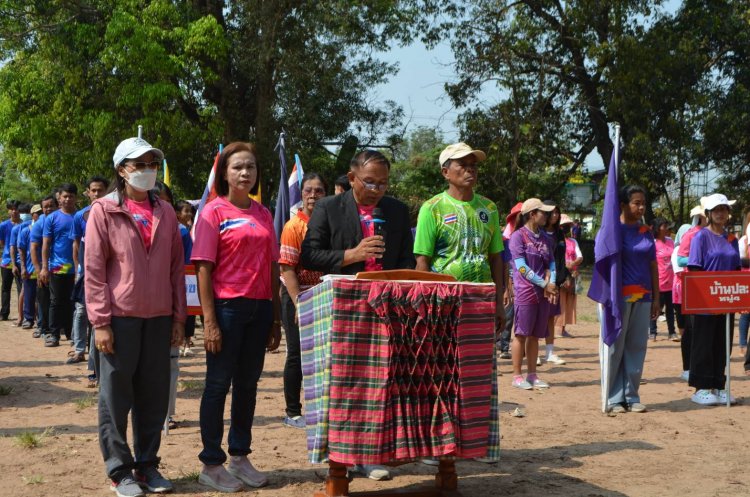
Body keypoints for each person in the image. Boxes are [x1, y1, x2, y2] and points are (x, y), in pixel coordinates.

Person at [301, 149, 415, 481]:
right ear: (352, 178)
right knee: (344, 384)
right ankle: (341, 456)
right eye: (369, 182)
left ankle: (371, 453)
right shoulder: (328, 208)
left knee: (381, 382)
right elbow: (309, 255)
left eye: (383, 183)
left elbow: (407, 259)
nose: (377, 189)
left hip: (387, 309)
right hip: (343, 310)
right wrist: (351, 255)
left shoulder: (396, 211)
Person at [85, 137, 186, 497]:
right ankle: (119, 470)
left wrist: (179, 317)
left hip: (158, 317)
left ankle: (147, 465)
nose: (147, 170)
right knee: (115, 398)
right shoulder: (104, 210)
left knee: (153, 396)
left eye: (151, 164)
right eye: (138, 164)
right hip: (119, 318)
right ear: (121, 170)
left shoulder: (166, 212)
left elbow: (176, 269)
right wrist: (100, 322)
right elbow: (94, 270)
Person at [191, 142, 282, 493]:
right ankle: (211, 463)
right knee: (217, 385)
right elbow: (203, 268)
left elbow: (273, 265)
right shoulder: (213, 212)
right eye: (238, 167)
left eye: (251, 167)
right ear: (224, 174)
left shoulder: (263, 212)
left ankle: (240, 457)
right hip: (227, 309)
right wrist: (210, 322)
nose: (245, 173)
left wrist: (275, 317)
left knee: (247, 385)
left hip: (259, 309)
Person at [413, 142, 505, 325]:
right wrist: (423, 306)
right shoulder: (432, 208)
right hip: (444, 300)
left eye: (473, 165)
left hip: (482, 298)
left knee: (480, 345)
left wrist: (499, 304)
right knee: (446, 345)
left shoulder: (489, 208)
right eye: (462, 164)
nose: (470, 170)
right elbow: (422, 261)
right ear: (445, 172)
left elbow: (495, 258)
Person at [279, 172, 327, 429]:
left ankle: (320, 409)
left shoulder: (330, 223)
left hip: (324, 295)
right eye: (308, 190)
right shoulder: (294, 226)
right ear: (301, 194)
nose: (313, 196)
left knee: (323, 356)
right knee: (297, 354)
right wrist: (300, 303)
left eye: (318, 191)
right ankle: (293, 411)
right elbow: (287, 269)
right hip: (297, 295)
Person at [605, 185, 658, 414]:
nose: (641, 207)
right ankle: (613, 397)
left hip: (644, 297)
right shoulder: (612, 230)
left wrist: (656, 298)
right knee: (616, 347)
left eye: (643, 203)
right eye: (636, 203)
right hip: (619, 298)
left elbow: (653, 265)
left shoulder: (646, 231)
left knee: (636, 347)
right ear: (623, 205)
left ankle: (631, 395)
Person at [687, 194, 739, 406]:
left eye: (724, 209)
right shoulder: (700, 237)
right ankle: (701, 387)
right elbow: (694, 267)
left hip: (727, 299)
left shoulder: (732, 239)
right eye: (716, 210)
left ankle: (719, 384)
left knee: (722, 343)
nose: (720, 213)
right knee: (704, 343)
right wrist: (706, 293)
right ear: (708, 213)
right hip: (705, 301)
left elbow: (736, 269)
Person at [509, 198, 557, 390]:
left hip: (543, 293)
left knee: (536, 335)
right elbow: (521, 267)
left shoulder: (545, 238)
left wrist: (552, 283)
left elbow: (551, 263)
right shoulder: (517, 237)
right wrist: (544, 283)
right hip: (525, 291)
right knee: (521, 334)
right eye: (543, 212)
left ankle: (532, 375)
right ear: (532, 214)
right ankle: (517, 376)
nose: (547, 216)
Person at [68, 176, 109, 365]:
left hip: (105, 273)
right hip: (85, 271)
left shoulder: (112, 212)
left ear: (107, 191)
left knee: (98, 316)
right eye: (93, 190)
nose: (97, 193)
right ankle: (79, 350)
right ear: (88, 192)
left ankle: (96, 359)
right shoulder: (80, 216)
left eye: (100, 190)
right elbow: (77, 244)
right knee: (81, 310)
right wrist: (79, 268)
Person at [40, 183, 78, 347]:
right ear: (59, 198)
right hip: (57, 267)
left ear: (76, 198)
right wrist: (44, 267)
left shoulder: (81, 216)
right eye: (65, 196)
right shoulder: (52, 218)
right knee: (56, 301)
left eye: (71, 196)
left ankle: (71, 334)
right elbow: (46, 244)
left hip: (77, 269)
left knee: (73, 302)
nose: (68, 199)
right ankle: (54, 334)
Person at [674, 201, 707, 381]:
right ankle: (688, 368)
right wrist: (700, 259)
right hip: (693, 286)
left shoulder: (719, 235)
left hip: (712, 287)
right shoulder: (691, 235)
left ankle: (703, 368)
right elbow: (680, 260)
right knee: (691, 328)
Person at [541, 201, 569, 365]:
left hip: (555, 280)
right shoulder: (538, 231)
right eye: (552, 212)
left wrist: (562, 277)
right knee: (537, 316)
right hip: (539, 280)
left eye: (557, 212)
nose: (555, 215)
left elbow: (561, 258)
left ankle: (550, 352)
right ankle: (532, 352)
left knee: (551, 316)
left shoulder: (559, 234)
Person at [498, 202, 523, 358]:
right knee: (507, 313)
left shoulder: (532, 236)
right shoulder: (506, 237)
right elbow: (505, 264)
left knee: (516, 315)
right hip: (509, 279)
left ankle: (512, 347)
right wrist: (507, 285)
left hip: (522, 280)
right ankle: (502, 345)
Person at [30, 195, 57, 339]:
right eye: (45, 207)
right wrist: (38, 269)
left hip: (59, 267)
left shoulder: (60, 219)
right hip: (44, 268)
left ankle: (56, 327)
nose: (48, 209)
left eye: (51, 206)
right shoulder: (39, 224)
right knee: (43, 298)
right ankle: (42, 326)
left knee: (56, 299)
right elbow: (33, 248)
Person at [648, 217, 677, 342]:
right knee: (656, 307)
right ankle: (652, 332)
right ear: (657, 228)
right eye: (664, 226)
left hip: (671, 281)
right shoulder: (653, 243)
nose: (667, 228)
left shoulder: (670, 241)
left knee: (670, 309)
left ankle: (672, 332)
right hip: (658, 282)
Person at [175, 199, 197, 356]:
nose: (189, 214)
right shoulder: (182, 231)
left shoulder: (186, 230)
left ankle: (186, 342)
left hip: (183, 274)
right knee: (187, 310)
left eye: (190, 211)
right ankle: (185, 343)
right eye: (186, 211)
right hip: (184, 274)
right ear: (177, 213)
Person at [555, 214, 583, 338]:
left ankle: (562, 329)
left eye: (567, 226)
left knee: (568, 302)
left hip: (571, 275)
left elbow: (580, 256)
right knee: (558, 301)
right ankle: (555, 329)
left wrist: (573, 263)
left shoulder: (573, 241)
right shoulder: (555, 241)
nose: (566, 228)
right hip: (559, 274)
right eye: (564, 226)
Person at [18, 204, 42, 329]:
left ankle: (41, 321)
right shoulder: (25, 231)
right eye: (38, 213)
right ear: (32, 215)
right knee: (29, 295)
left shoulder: (46, 229)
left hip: (43, 269)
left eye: (41, 212)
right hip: (29, 269)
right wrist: (23, 267)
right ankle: (28, 319)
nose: (40, 215)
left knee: (42, 297)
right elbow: (21, 250)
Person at [10, 203, 32, 326]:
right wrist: (14, 264)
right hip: (22, 264)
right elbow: (13, 247)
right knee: (23, 290)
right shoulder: (17, 229)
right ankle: (21, 317)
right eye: (23, 212)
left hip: (32, 263)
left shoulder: (34, 225)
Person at [0, 200, 21, 321]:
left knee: (21, 288)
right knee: (5, 288)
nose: (14, 211)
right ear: (9, 211)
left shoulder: (24, 224)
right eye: (12, 209)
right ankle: (4, 313)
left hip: (21, 261)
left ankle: (22, 314)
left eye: (16, 209)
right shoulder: (3, 225)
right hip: (7, 261)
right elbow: (2, 242)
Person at [737, 210, 750, 355]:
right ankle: (742, 344)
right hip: (746, 279)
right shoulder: (743, 241)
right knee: (746, 313)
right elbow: (739, 261)